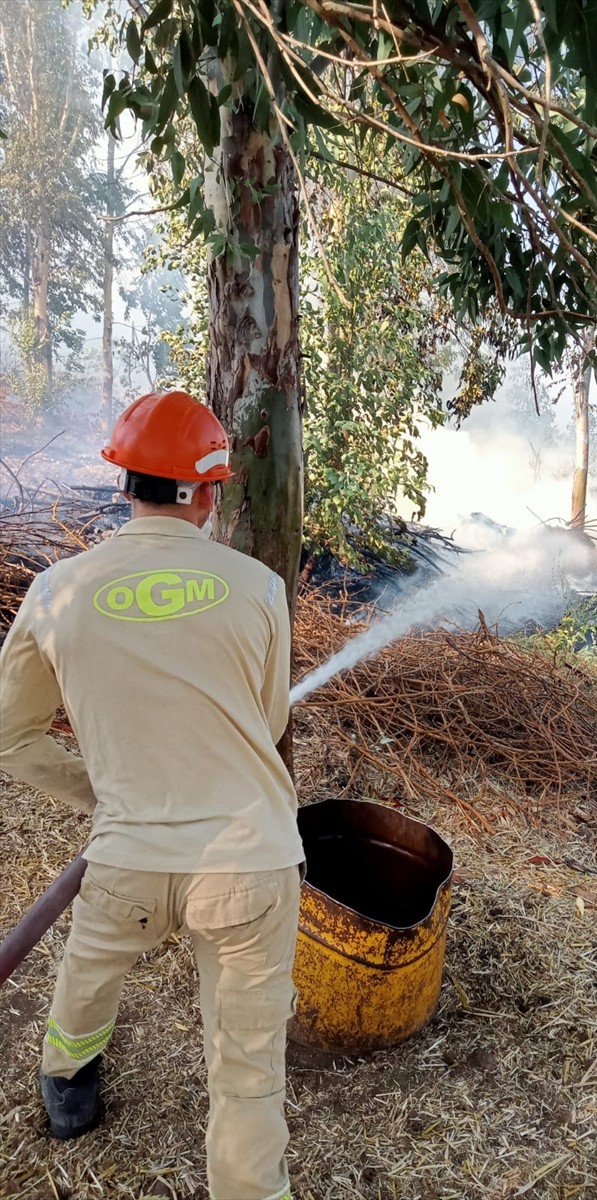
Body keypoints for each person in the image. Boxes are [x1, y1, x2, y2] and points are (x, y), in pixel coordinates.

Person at [0, 390, 305, 1200]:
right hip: (249, 867)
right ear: (209, 491)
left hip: (126, 859)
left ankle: (67, 1090)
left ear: (125, 482)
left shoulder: (57, 591)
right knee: (245, 1075)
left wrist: (101, 793)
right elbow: (268, 719)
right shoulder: (259, 588)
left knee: (87, 971)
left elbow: (9, 736)